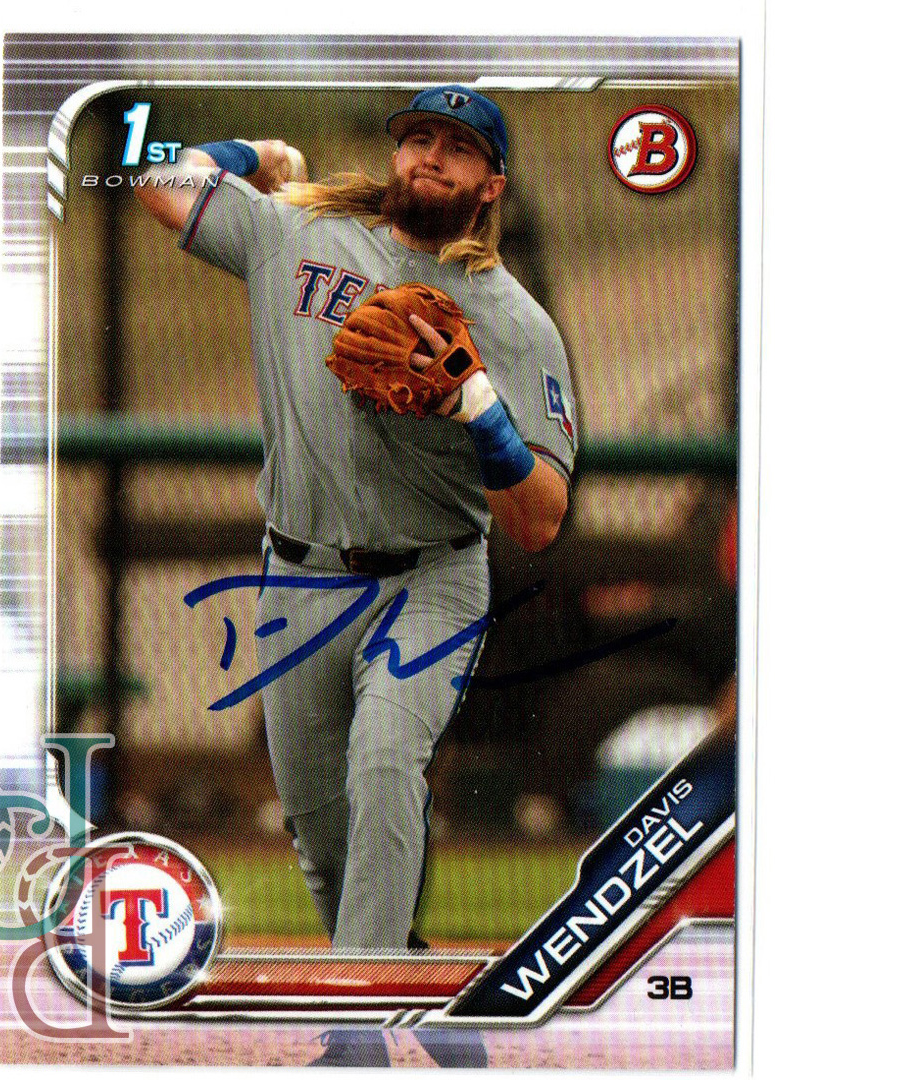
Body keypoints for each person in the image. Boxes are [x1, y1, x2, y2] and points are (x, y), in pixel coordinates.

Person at [136, 85, 577, 1067]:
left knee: (384, 763)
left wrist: (480, 412)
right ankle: (430, 1008)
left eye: (457, 147)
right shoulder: (297, 233)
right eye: (417, 136)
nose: (430, 155)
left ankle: (354, 1039)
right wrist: (258, 152)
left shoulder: (515, 323)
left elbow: (541, 515)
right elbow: (154, 182)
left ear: (491, 184)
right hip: (297, 578)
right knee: (321, 839)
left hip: (431, 580)